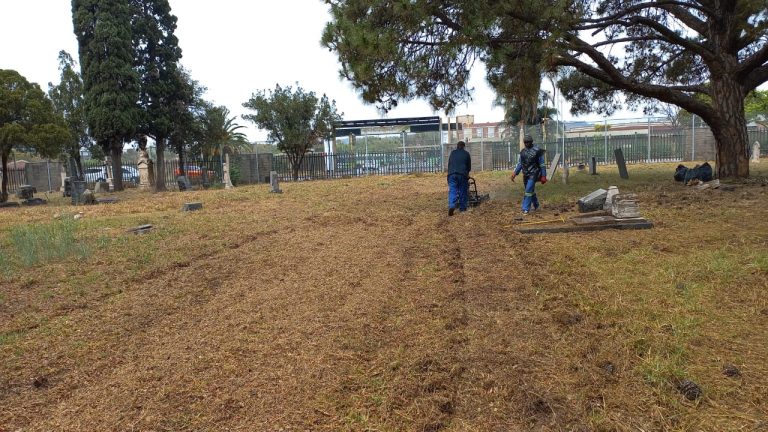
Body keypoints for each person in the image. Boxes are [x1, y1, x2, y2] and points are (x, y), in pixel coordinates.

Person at [511, 135, 547, 214]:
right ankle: (536, 204)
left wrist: (544, 175)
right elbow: (520, 164)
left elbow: (542, 164)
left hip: (534, 173)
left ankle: (525, 208)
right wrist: (515, 173)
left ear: (531, 142)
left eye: (528, 142)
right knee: (530, 191)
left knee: (528, 191)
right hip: (525, 174)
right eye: (525, 142)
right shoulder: (523, 152)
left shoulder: (537, 151)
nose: (527, 144)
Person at [447, 140, 471, 216]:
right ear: (464, 147)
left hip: (451, 174)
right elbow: (469, 167)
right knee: (462, 190)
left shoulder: (452, 153)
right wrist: (467, 174)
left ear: (457, 146)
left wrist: (449, 175)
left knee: (453, 190)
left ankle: (452, 206)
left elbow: (449, 164)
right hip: (462, 174)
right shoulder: (466, 154)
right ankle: (462, 208)